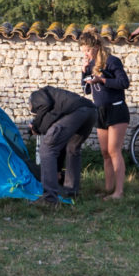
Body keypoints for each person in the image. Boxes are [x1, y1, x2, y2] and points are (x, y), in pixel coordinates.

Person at [80, 31, 130, 200]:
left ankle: (119, 192)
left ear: (95, 47)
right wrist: (83, 73)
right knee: (104, 152)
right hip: (100, 110)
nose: (85, 54)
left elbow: (124, 83)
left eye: (87, 50)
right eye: (83, 51)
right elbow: (86, 89)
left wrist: (102, 80)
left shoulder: (112, 61)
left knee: (113, 150)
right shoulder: (90, 64)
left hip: (117, 109)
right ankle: (109, 189)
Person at [27, 86, 95, 205]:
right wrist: (57, 170)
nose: (38, 115)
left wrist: (36, 125)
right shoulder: (57, 105)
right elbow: (58, 144)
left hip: (77, 112)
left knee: (46, 148)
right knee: (72, 148)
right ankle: (71, 190)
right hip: (91, 111)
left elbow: (45, 104)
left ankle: (49, 198)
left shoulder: (36, 95)